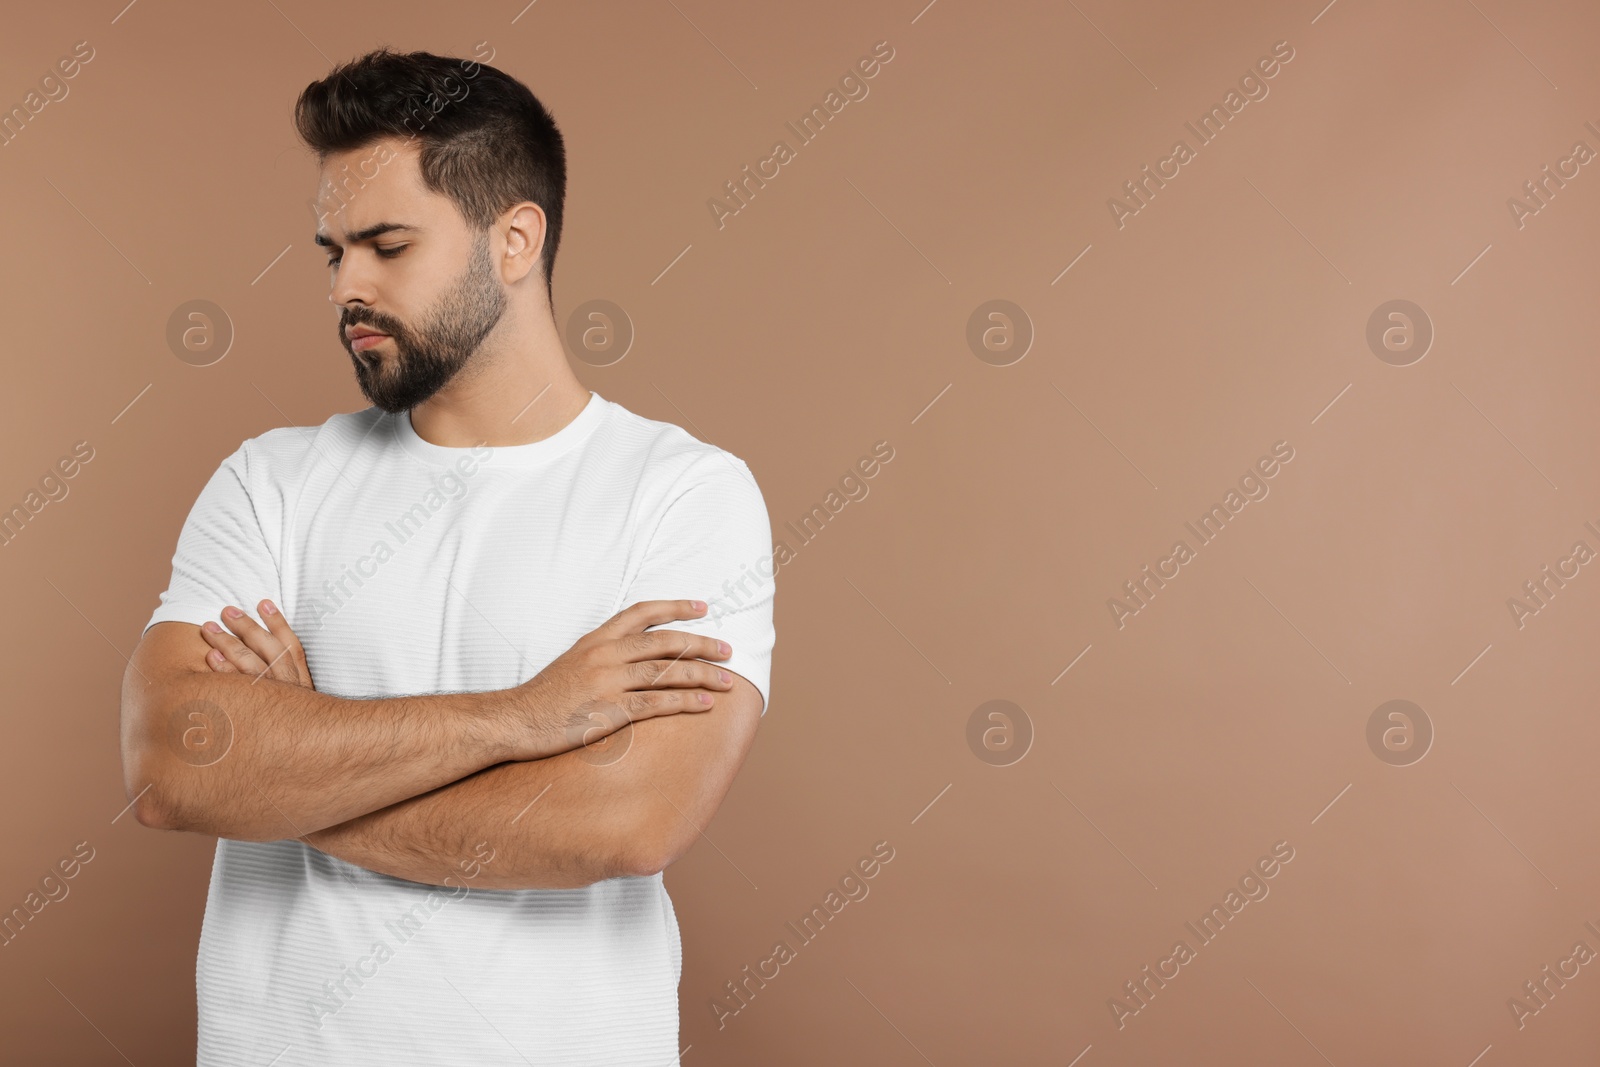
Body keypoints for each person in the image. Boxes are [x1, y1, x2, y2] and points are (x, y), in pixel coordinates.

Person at [118, 47, 775, 1066]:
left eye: (386, 244)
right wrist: (521, 716)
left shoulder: (682, 491)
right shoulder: (272, 480)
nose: (347, 285)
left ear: (514, 239)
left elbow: (624, 819)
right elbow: (174, 763)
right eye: (333, 251)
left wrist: (293, 777)